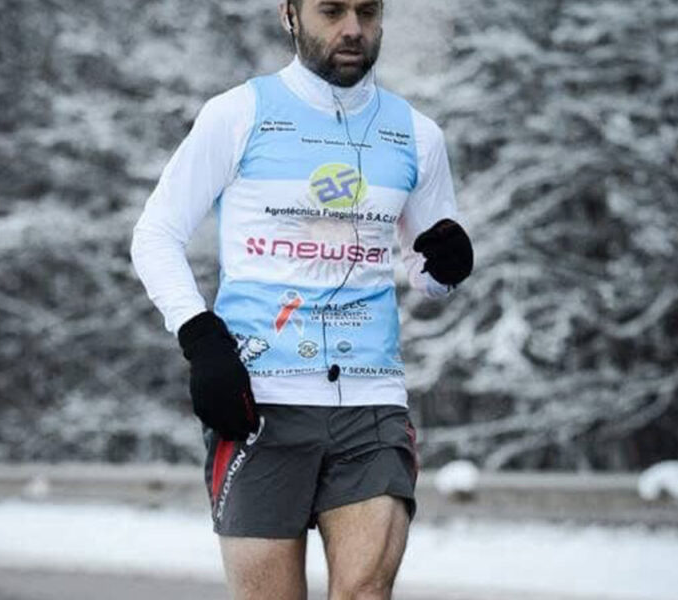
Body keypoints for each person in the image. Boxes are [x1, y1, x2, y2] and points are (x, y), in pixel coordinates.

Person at [131, 1, 473, 597]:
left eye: (367, 12)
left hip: (371, 400)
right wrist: (201, 340)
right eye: (331, 11)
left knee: (366, 592)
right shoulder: (238, 114)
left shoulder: (416, 134)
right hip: (259, 402)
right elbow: (156, 233)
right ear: (290, 14)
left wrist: (447, 266)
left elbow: (426, 270)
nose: (352, 29)